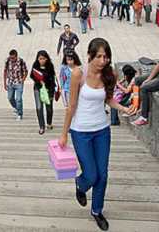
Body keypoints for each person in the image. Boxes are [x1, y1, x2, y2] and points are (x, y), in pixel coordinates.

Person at [59, 38, 133, 231]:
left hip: (102, 130)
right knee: (91, 174)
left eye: (106, 56)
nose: (103, 60)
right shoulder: (78, 74)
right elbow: (71, 106)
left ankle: (97, 211)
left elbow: (108, 99)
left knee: (103, 175)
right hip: (80, 131)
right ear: (90, 55)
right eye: (99, 56)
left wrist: (123, 109)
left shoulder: (110, 75)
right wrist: (64, 134)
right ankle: (80, 184)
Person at [30, 50, 58, 135]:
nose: (42, 60)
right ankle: (41, 127)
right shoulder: (35, 65)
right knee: (39, 107)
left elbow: (53, 78)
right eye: (40, 59)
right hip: (38, 88)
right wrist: (38, 81)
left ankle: (49, 123)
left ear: (47, 59)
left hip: (48, 89)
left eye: (43, 59)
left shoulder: (50, 66)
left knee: (49, 108)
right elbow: (32, 75)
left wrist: (51, 90)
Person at [3, 49, 28, 121]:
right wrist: (4, 83)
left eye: (13, 58)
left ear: (16, 56)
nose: (12, 59)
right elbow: (5, 71)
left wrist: (23, 80)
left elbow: (26, 71)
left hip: (18, 82)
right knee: (10, 98)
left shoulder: (21, 61)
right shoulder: (7, 61)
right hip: (10, 82)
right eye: (11, 57)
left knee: (18, 99)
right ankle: (17, 108)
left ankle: (20, 114)